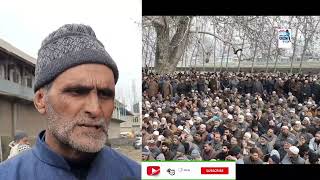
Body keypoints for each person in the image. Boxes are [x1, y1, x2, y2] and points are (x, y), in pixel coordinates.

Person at [0, 24, 140, 180]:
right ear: (41, 100)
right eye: (77, 92)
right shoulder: (8, 175)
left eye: (105, 94)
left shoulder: (135, 173)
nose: (95, 109)